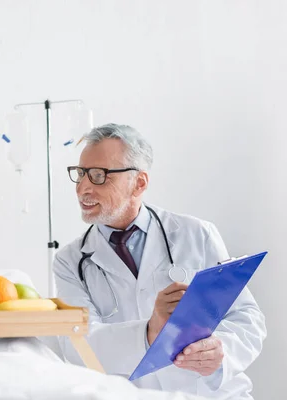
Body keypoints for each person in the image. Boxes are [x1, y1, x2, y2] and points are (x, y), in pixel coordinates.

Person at [53, 124, 266, 399]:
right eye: (80, 174)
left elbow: (246, 317)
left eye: (98, 175)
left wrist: (220, 350)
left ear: (139, 182)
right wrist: (149, 332)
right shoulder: (70, 262)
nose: (82, 187)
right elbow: (77, 343)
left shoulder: (197, 234)